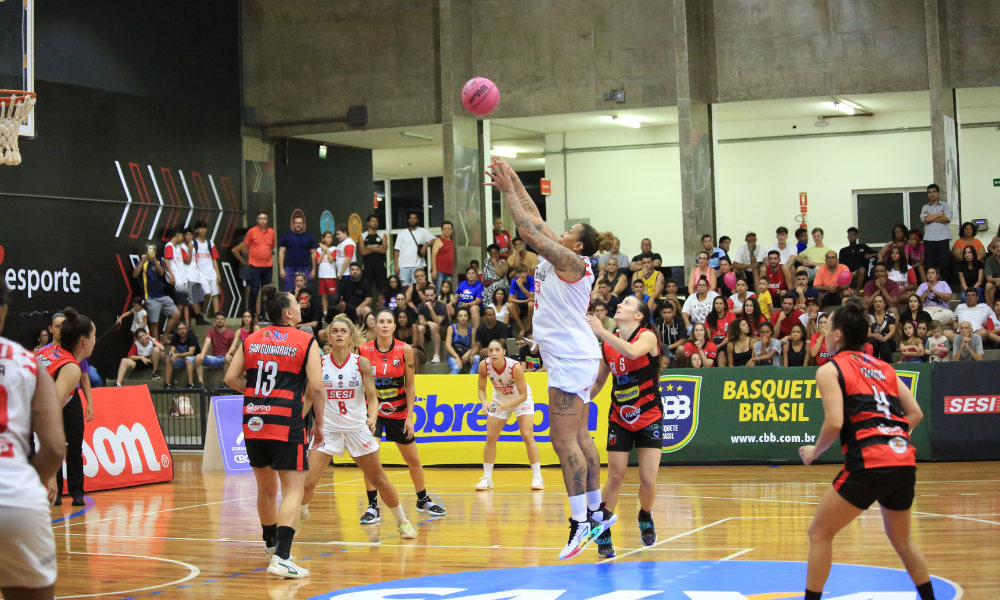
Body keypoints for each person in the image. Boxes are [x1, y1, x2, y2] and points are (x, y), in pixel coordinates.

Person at [487, 157, 615, 560]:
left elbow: (526, 230)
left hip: (573, 359)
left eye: (567, 232)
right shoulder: (563, 255)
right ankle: (595, 513)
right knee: (578, 438)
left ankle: (579, 524)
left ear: (577, 245)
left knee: (562, 441)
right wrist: (514, 180)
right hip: (572, 357)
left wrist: (506, 192)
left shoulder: (572, 262)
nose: (558, 232)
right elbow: (536, 218)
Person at [797, 297, 933, 600]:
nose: (822, 334)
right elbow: (916, 414)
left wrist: (814, 451)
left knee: (819, 533)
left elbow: (834, 422)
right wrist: (893, 437)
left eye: (826, 328)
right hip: (902, 461)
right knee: (903, 541)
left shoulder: (829, 370)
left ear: (838, 336)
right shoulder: (884, 367)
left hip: (870, 462)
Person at [223, 285, 323, 578]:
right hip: (285, 420)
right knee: (293, 489)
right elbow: (316, 387)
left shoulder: (252, 338)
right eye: (297, 304)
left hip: (253, 421)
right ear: (288, 313)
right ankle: (282, 557)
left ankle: (269, 545)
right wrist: (319, 422)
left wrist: (256, 395)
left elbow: (230, 377)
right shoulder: (305, 340)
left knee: (266, 489)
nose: (301, 307)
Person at [298, 315, 417, 539]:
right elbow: (308, 397)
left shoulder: (361, 363)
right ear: (329, 338)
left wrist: (372, 418)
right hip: (329, 430)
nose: (339, 334)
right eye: (335, 332)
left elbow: (373, 398)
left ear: (351, 337)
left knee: (379, 479)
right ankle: (301, 513)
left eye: (344, 331)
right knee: (308, 482)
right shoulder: (320, 364)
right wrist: (295, 422)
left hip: (356, 428)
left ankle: (402, 521)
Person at [0, 281, 66, 600]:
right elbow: (54, 447)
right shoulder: (28, 362)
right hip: (16, 498)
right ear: (4, 309)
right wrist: (31, 481)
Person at [587, 296, 661, 558]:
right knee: (616, 475)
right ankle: (603, 530)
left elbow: (632, 352)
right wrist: (581, 399)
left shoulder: (648, 336)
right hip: (619, 417)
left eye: (628, 303)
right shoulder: (607, 346)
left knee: (648, 480)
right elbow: (598, 382)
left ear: (639, 315)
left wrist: (602, 331)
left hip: (649, 415)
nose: (620, 304)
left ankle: (645, 514)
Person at [359, 309, 446, 522]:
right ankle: (372, 506)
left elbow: (410, 385)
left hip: (399, 413)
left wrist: (409, 416)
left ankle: (422, 499)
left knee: (413, 459)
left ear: (395, 326)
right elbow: (360, 385)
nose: (385, 325)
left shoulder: (405, 349)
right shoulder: (363, 350)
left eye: (389, 321)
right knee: (372, 459)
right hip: (374, 413)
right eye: (381, 322)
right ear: (375, 326)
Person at [37, 309, 96, 507]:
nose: (95, 340)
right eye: (94, 335)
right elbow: (48, 414)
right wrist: (52, 476)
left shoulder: (48, 353)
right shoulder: (71, 368)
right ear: (85, 342)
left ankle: (75, 491)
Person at [474, 339, 544, 491]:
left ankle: (538, 477)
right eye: (491, 350)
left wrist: (508, 405)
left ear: (504, 352)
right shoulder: (483, 365)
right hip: (499, 399)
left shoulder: (515, 367)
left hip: (520, 399)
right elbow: (481, 389)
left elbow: (524, 395)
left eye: (497, 350)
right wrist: (484, 400)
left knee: (527, 435)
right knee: (491, 437)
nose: (494, 353)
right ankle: (487, 478)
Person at [133, 243, 181, 342]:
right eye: (149, 250)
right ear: (146, 252)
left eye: (152, 251)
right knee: (154, 323)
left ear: (155, 252)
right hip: (150, 297)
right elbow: (134, 275)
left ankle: (164, 337)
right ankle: (157, 346)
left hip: (162, 295)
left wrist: (154, 260)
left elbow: (161, 273)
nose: (150, 253)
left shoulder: (159, 261)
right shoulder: (143, 263)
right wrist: (142, 261)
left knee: (176, 314)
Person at [244, 212, 277, 323]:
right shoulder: (251, 231)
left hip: (268, 266)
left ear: (267, 220)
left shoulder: (271, 232)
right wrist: (249, 260)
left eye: (264, 218)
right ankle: (251, 315)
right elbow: (245, 247)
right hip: (255, 266)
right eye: (260, 218)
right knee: (254, 290)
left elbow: (272, 246)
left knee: (266, 292)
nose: (262, 220)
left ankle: (263, 315)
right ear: (257, 220)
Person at [919, 183, 952, 278]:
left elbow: (947, 219)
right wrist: (940, 214)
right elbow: (925, 219)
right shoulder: (925, 207)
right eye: (929, 192)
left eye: (934, 192)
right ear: (927, 194)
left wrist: (931, 216)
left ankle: (945, 285)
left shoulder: (945, 205)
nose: (932, 194)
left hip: (943, 238)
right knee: (930, 265)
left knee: (944, 264)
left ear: (938, 193)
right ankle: (932, 286)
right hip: (929, 240)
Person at [393, 212, 436, 286]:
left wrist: (426, 245)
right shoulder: (402, 233)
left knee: (418, 286)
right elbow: (397, 250)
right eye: (411, 218)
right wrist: (396, 265)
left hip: (418, 265)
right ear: (408, 220)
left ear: (417, 220)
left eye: (414, 218)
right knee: (403, 286)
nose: (413, 220)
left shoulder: (423, 231)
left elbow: (435, 240)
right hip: (403, 266)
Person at [193, 313, 235, 387]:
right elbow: (207, 343)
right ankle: (201, 383)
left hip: (224, 359)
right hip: (214, 358)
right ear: (214, 320)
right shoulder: (211, 331)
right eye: (218, 319)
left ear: (225, 321)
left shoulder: (231, 333)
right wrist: (202, 356)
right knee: (198, 357)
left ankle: (224, 382)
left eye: (221, 319)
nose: (220, 321)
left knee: (228, 357)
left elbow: (233, 348)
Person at [192, 220, 223, 317]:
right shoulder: (193, 243)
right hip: (200, 273)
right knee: (207, 294)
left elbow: (214, 259)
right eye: (200, 228)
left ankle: (217, 315)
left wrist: (217, 273)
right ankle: (203, 310)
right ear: (196, 230)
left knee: (215, 294)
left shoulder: (210, 243)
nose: (203, 230)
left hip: (211, 272)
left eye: (204, 228)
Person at [278, 213, 315, 292]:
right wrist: (281, 269)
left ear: (303, 224)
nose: (298, 225)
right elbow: (281, 252)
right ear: (293, 224)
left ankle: (304, 305)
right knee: (288, 291)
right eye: (296, 223)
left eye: (300, 223)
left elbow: (313, 253)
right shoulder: (286, 237)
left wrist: (314, 269)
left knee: (305, 291)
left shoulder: (309, 237)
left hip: (305, 268)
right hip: (290, 268)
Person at [416, 286, 449, 364]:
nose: (429, 298)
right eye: (427, 295)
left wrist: (431, 309)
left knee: (434, 327)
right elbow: (421, 322)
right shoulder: (421, 306)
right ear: (424, 296)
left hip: (443, 329)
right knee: (420, 328)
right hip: (429, 327)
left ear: (435, 295)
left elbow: (438, 322)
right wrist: (429, 323)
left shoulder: (442, 306)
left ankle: (437, 355)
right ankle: (422, 354)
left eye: (431, 295)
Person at [839, 227, 877, 292]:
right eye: (850, 235)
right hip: (847, 272)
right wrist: (848, 272)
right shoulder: (843, 250)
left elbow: (877, 253)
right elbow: (841, 264)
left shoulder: (863, 247)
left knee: (862, 269)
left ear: (857, 236)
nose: (852, 237)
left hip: (860, 273)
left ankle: (857, 292)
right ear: (847, 237)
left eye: (853, 235)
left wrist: (870, 255)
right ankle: (846, 291)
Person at [445, 308, 480, 374]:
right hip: (453, 354)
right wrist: (457, 357)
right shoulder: (451, 328)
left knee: (477, 358)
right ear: (457, 318)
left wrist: (469, 353)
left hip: (466, 354)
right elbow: (447, 345)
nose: (463, 318)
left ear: (468, 317)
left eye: (465, 315)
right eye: (460, 316)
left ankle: (471, 378)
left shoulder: (472, 330)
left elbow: (474, 346)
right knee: (456, 367)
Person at [163, 321, 198, 388]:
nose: (182, 331)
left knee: (188, 359)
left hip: (194, 360)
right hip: (182, 360)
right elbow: (172, 351)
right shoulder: (175, 337)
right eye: (179, 329)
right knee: (168, 359)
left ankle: (190, 384)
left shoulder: (192, 336)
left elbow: (191, 353)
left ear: (187, 329)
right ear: (176, 330)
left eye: (184, 328)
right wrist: (171, 355)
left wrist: (177, 355)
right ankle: (167, 384)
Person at [359, 214, 388, 293]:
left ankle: (381, 305)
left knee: (381, 288)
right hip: (367, 265)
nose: (374, 223)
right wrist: (378, 247)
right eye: (372, 221)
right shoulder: (362, 236)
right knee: (367, 287)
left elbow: (384, 250)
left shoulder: (383, 235)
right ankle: (368, 305)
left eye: (376, 221)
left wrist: (369, 247)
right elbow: (363, 252)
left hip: (380, 265)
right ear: (368, 223)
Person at [706, 296, 736, 366]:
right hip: (713, 342)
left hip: (726, 341)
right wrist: (713, 345)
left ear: (725, 305)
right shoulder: (709, 317)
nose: (718, 306)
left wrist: (719, 346)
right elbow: (708, 335)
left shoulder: (731, 316)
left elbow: (731, 335)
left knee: (721, 355)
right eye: (716, 304)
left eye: (720, 304)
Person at [315, 231, 339, 314]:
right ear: (323, 238)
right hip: (322, 276)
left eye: (331, 237)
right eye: (327, 237)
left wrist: (326, 249)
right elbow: (318, 261)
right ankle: (325, 313)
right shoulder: (318, 250)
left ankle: (334, 312)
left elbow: (331, 259)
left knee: (333, 296)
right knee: (323, 296)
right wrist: (323, 251)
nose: (329, 239)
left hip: (331, 276)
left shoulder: (334, 249)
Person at [867, 295, 897, 362]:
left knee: (884, 344)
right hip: (875, 341)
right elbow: (868, 334)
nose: (878, 303)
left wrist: (885, 338)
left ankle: (890, 365)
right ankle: (872, 364)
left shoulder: (890, 315)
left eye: (880, 301)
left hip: (888, 341)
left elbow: (892, 331)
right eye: (876, 302)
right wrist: (874, 335)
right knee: (872, 341)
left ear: (884, 304)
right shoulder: (870, 317)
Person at [506, 264, 535, 334]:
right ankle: (522, 328)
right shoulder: (514, 281)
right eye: (520, 273)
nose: (523, 274)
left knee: (531, 304)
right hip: (519, 305)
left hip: (530, 305)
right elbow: (510, 299)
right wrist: (525, 301)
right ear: (517, 274)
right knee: (509, 306)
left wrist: (521, 286)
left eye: (524, 272)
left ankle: (529, 324)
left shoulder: (531, 280)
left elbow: (531, 296)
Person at [482, 244, 510, 310]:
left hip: (500, 283)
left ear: (498, 253)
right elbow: (485, 275)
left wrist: (495, 263)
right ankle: (487, 310)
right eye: (492, 254)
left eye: (495, 253)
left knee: (493, 287)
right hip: (488, 284)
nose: (494, 255)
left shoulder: (503, 262)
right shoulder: (486, 262)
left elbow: (500, 274)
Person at [429, 220, 455, 290]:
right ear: (442, 230)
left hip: (448, 271)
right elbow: (433, 255)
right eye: (445, 229)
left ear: (451, 230)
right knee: (438, 290)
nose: (447, 231)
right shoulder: (438, 240)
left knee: (447, 291)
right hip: (439, 271)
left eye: (449, 229)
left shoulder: (451, 241)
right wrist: (434, 270)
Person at [984, 241, 1000, 307]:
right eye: (997, 247)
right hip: (995, 285)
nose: (999, 249)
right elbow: (988, 278)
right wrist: (998, 281)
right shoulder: (989, 260)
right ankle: (991, 311)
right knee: (988, 285)